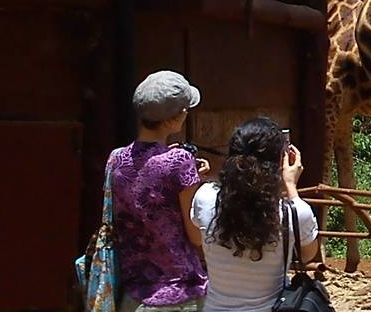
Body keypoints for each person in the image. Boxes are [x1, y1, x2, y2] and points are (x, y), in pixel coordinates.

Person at [191, 117, 320, 312]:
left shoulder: (204, 197)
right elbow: (308, 255)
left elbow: (197, 238)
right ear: (280, 161)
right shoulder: (294, 212)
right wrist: (291, 186)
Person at [110, 70, 209, 312]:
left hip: (132, 293)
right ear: (171, 120)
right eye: (185, 110)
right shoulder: (179, 161)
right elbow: (194, 235)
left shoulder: (115, 159)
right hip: (177, 292)